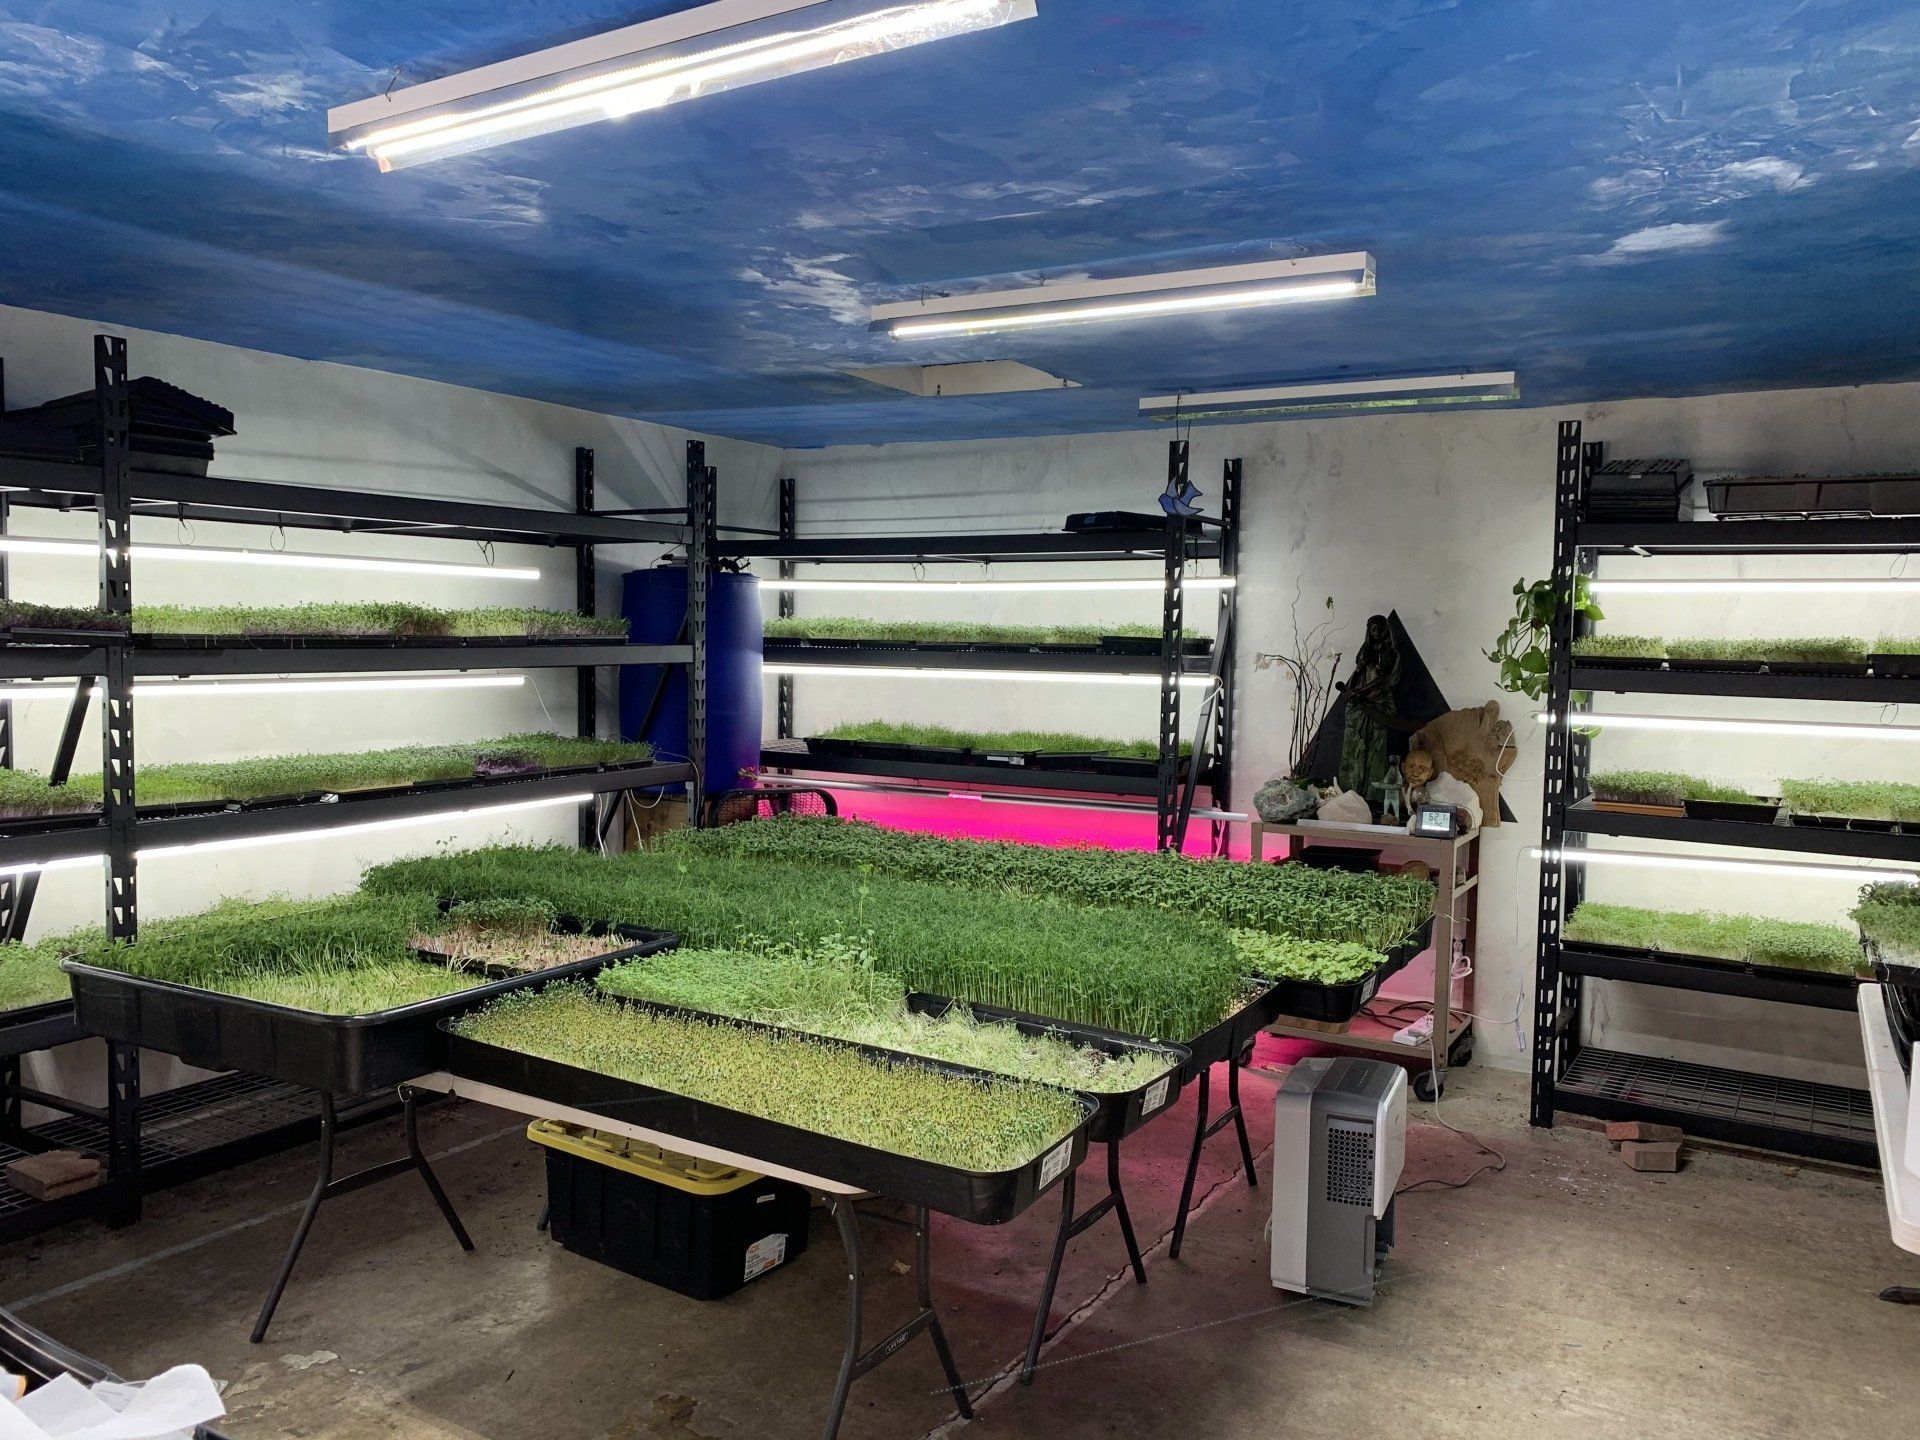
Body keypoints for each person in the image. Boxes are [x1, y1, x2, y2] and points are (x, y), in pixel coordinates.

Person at [1337, 614, 1401, 804]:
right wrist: (1351, 691)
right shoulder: (1365, 650)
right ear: (1368, 630)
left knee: (1375, 748)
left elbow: (1382, 679)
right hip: (1359, 702)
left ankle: (1372, 797)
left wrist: (1360, 692)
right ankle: (1350, 792)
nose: (1376, 632)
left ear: (1386, 630)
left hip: (1378, 702)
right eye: (1373, 629)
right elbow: (1357, 672)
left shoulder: (1391, 654)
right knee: (1353, 747)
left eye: (1380, 628)